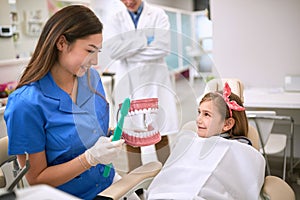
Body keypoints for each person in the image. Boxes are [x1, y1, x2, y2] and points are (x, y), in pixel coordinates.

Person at [4, 5, 128, 200]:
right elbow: (36, 178)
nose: (95, 61)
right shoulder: (25, 104)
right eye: (89, 50)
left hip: (108, 183)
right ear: (62, 43)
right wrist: (89, 159)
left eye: (98, 52)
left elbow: (93, 132)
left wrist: (116, 135)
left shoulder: (92, 79)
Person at [146, 83, 266, 200]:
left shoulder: (239, 150)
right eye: (199, 112)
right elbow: (173, 176)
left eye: (207, 115)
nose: (198, 120)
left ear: (227, 124)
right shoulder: (189, 142)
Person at [106, 0, 179, 171]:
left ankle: (166, 178)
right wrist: (146, 39)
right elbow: (114, 51)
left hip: (155, 81)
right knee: (130, 134)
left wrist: (128, 50)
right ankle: (136, 187)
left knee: (160, 131)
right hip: (129, 83)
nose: (129, 2)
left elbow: (163, 48)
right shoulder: (115, 19)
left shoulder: (158, 14)